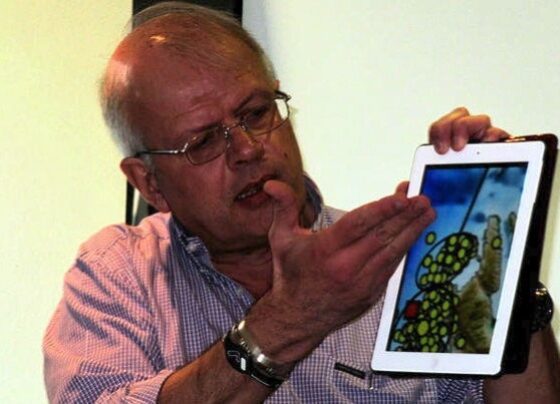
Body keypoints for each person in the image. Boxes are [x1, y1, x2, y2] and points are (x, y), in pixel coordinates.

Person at [43, 2, 559, 403]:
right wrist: (293, 318)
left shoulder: (401, 261)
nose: (247, 149)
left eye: (256, 113)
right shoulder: (119, 273)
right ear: (148, 182)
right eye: (203, 142)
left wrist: (505, 268)